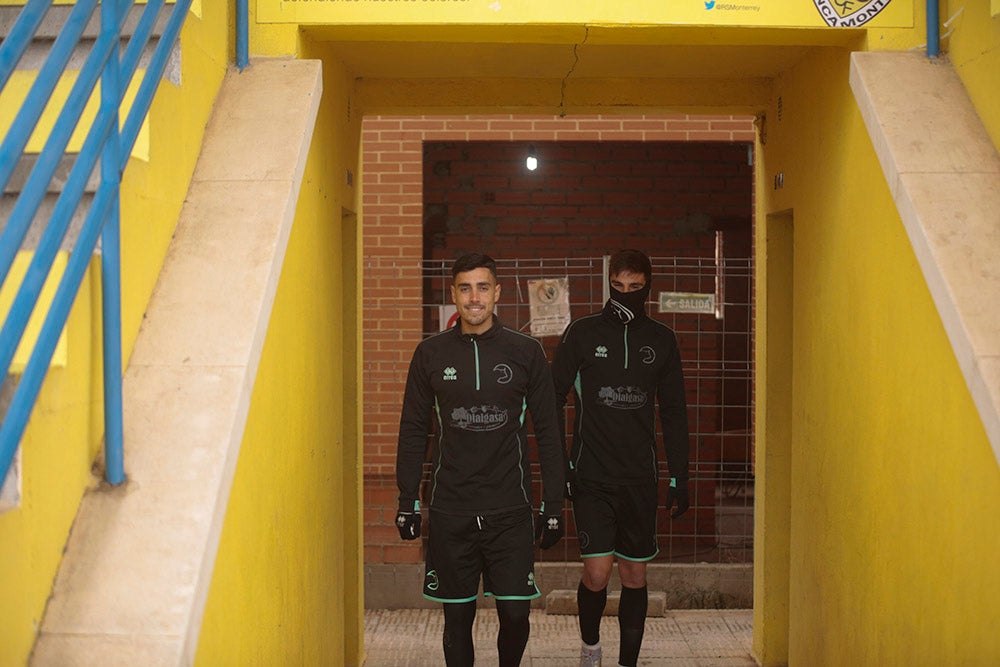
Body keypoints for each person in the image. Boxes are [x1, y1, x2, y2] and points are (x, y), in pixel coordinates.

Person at [395, 252, 567, 667]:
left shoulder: (525, 352)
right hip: (452, 508)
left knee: (516, 614)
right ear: (454, 293)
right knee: (457, 620)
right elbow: (413, 430)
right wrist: (407, 500)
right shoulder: (430, 354)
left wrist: (554, 505)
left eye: (483, 287)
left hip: (510, 509)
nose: (475, 297)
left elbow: (549, 432)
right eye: (466, 288)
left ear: (498, 293)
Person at [551, 249, 691, 667]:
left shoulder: (662, 340)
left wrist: (678, 477)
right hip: (591, 477)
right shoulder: (581, 333)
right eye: (617, 286)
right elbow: (550, 401)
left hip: (639, 479)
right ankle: (590, 648)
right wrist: (561, 469)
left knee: (634, 575)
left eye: (634, 287)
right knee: (596, 573)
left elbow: (674, 411)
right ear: (608, 282)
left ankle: (628, 662)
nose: (625, 294)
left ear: (648, 285)